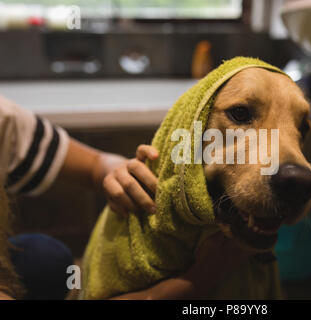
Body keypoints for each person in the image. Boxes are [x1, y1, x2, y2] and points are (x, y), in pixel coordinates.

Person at [0, 95, 249, 300]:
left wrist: (121, 172)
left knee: (47, 259)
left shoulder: (4, 118)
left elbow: (95, 164)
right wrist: (197, 281)